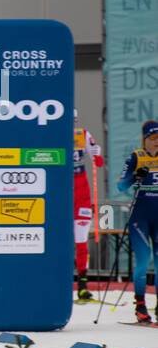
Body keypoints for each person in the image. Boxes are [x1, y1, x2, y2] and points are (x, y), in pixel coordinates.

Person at [117, 119, 158, 323]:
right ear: (145, 139)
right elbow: (121, 187)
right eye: (152, 138)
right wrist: (135, 177)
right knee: (143, 259)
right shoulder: (136, 157)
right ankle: (140, 304)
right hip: (140, 217)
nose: (156, 141)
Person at [72, 112, 105, 300]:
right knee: (58, 242)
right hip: (60, 193)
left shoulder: (82, 135)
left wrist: (96, 153)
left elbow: (98, 163)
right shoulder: (49, 134)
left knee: (81, 240)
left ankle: (82, 285)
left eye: (74, 120)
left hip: (81, 193)